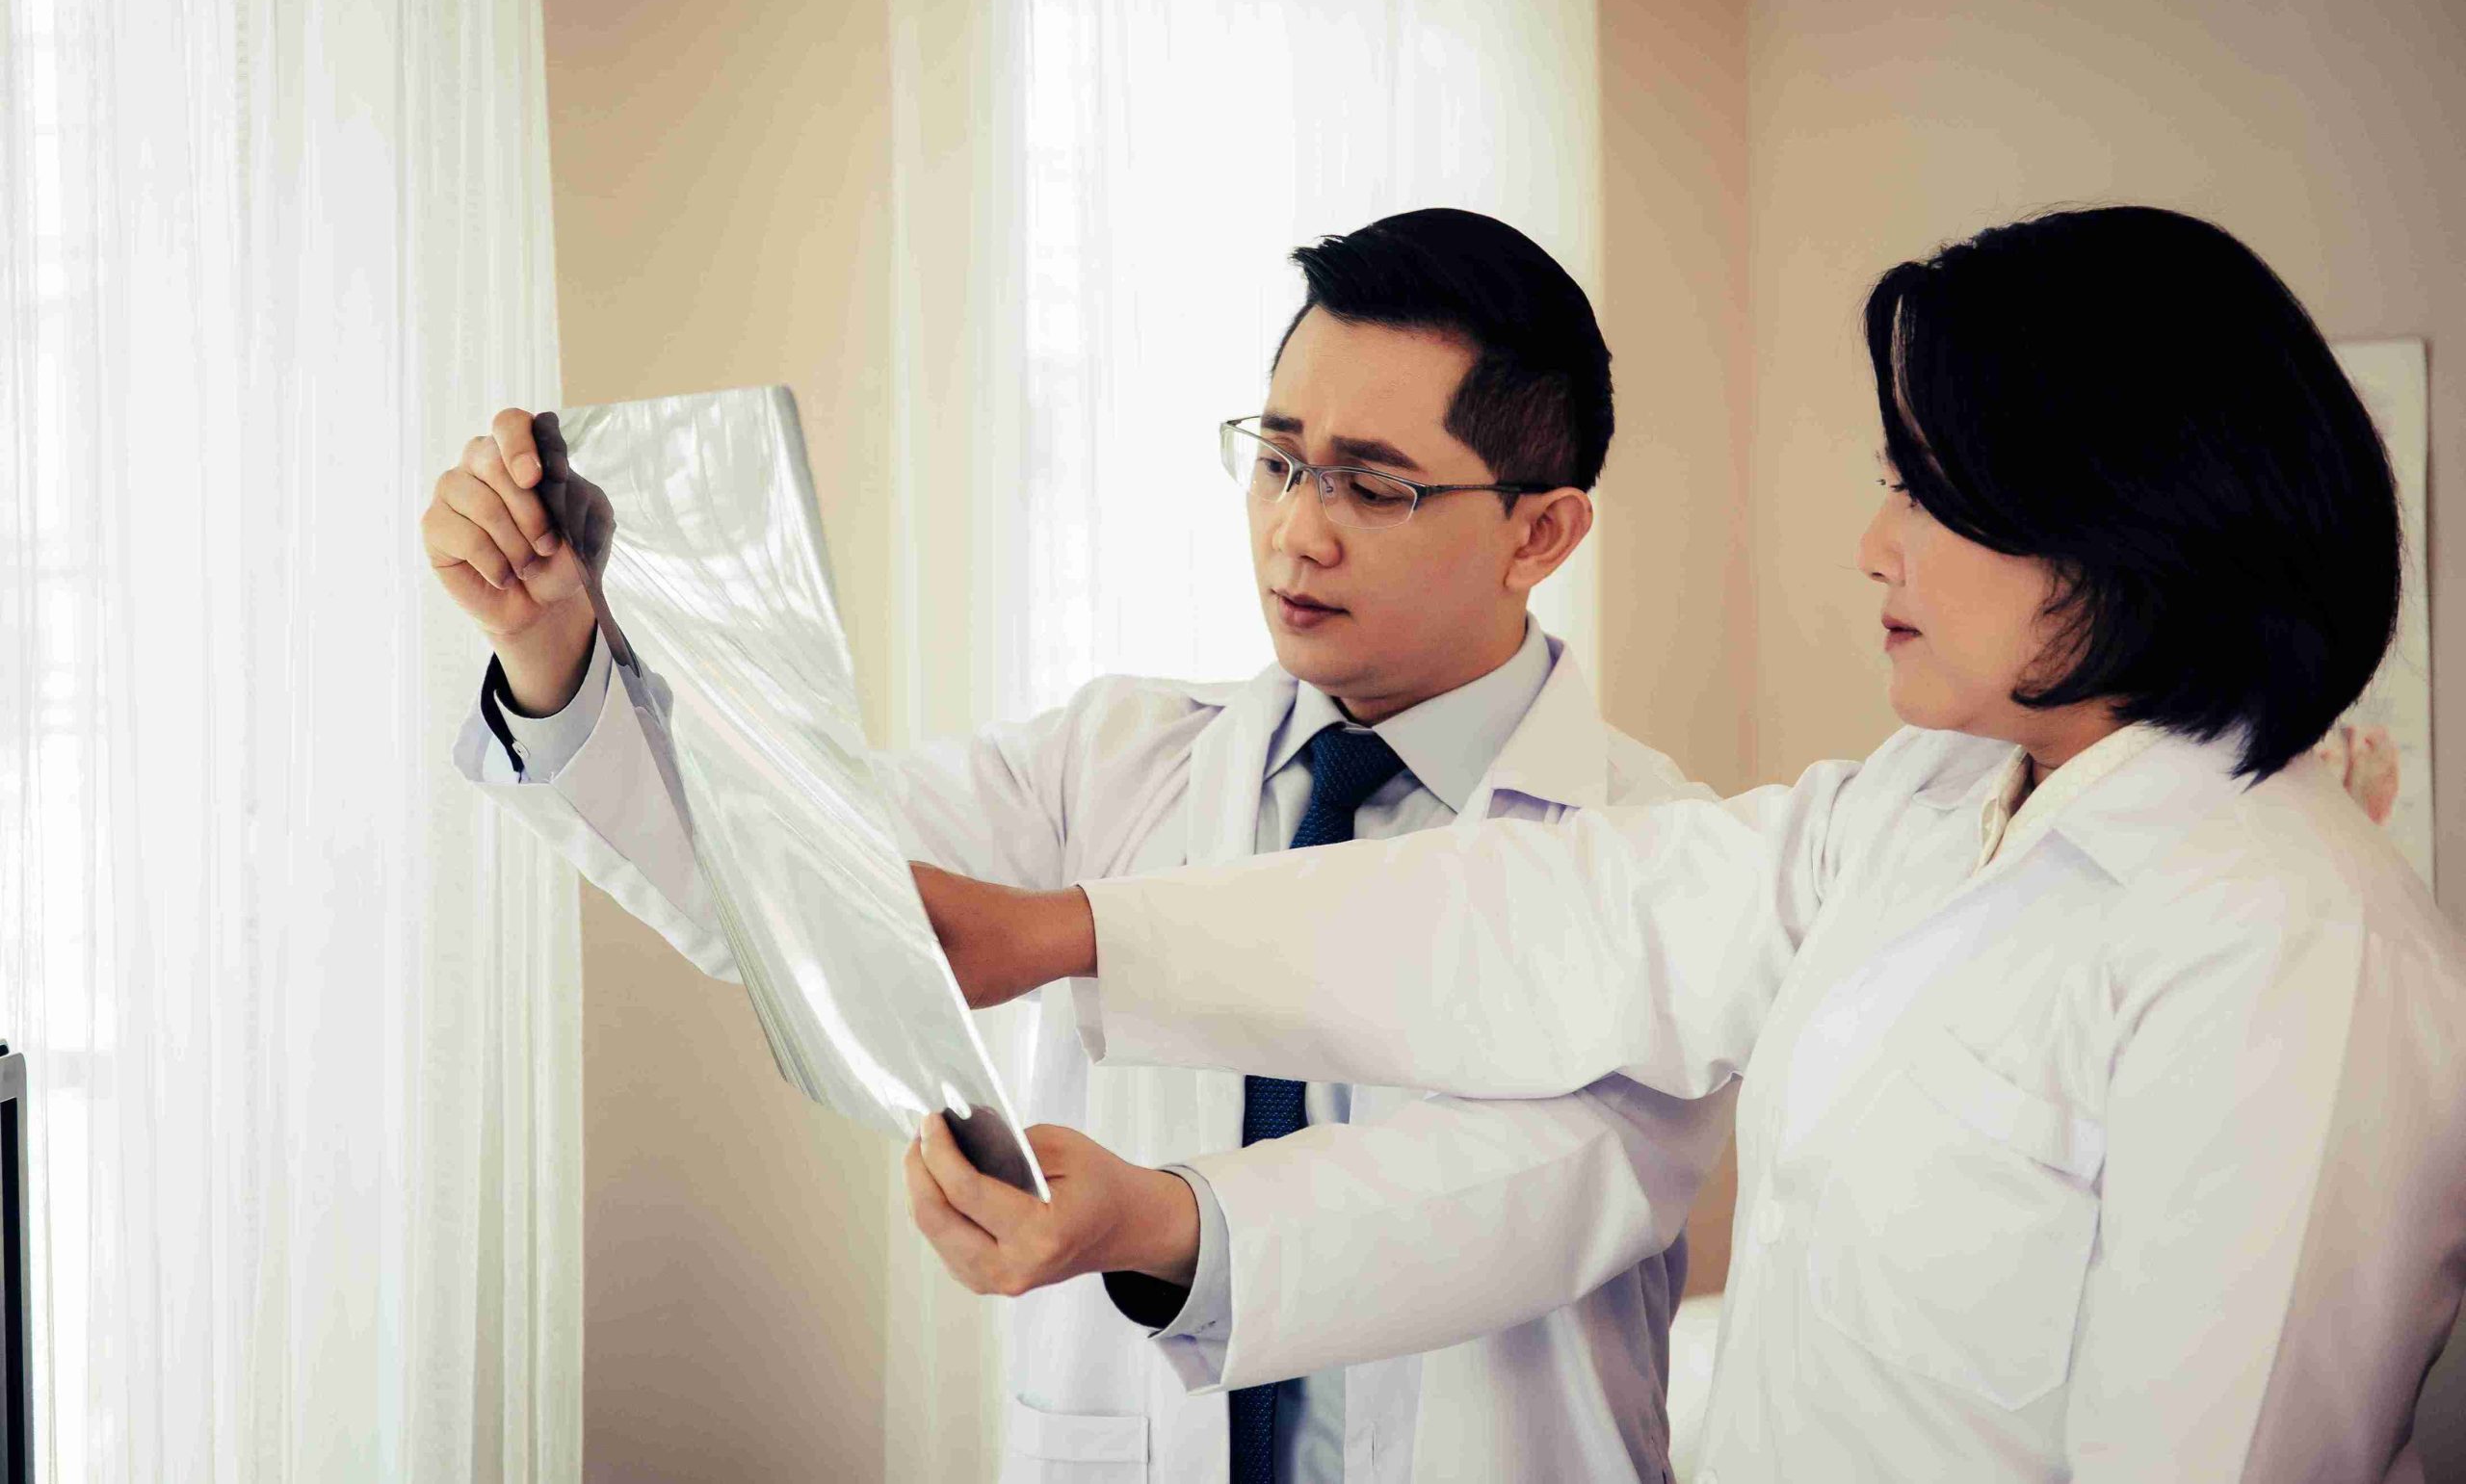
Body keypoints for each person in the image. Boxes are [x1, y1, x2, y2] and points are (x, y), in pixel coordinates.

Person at [904, 206, 2466, 1481]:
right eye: (1889, 483)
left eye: (1935, 493)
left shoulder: (2290, 947)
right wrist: (1073, 933)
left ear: (2133, 522)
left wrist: (1154, 1180)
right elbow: (1550, 923)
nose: (1874, 545)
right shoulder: (1919, 810)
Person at [421, 208, 1733, 1483]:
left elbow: (1536, 1203)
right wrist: (554, 651)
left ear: (1541, 533)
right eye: (1278, 459)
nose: (1297, 530)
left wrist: (1156, 1223)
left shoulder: (1656, 855)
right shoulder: (1114, 757)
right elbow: (797, 886)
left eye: (1374, 487)